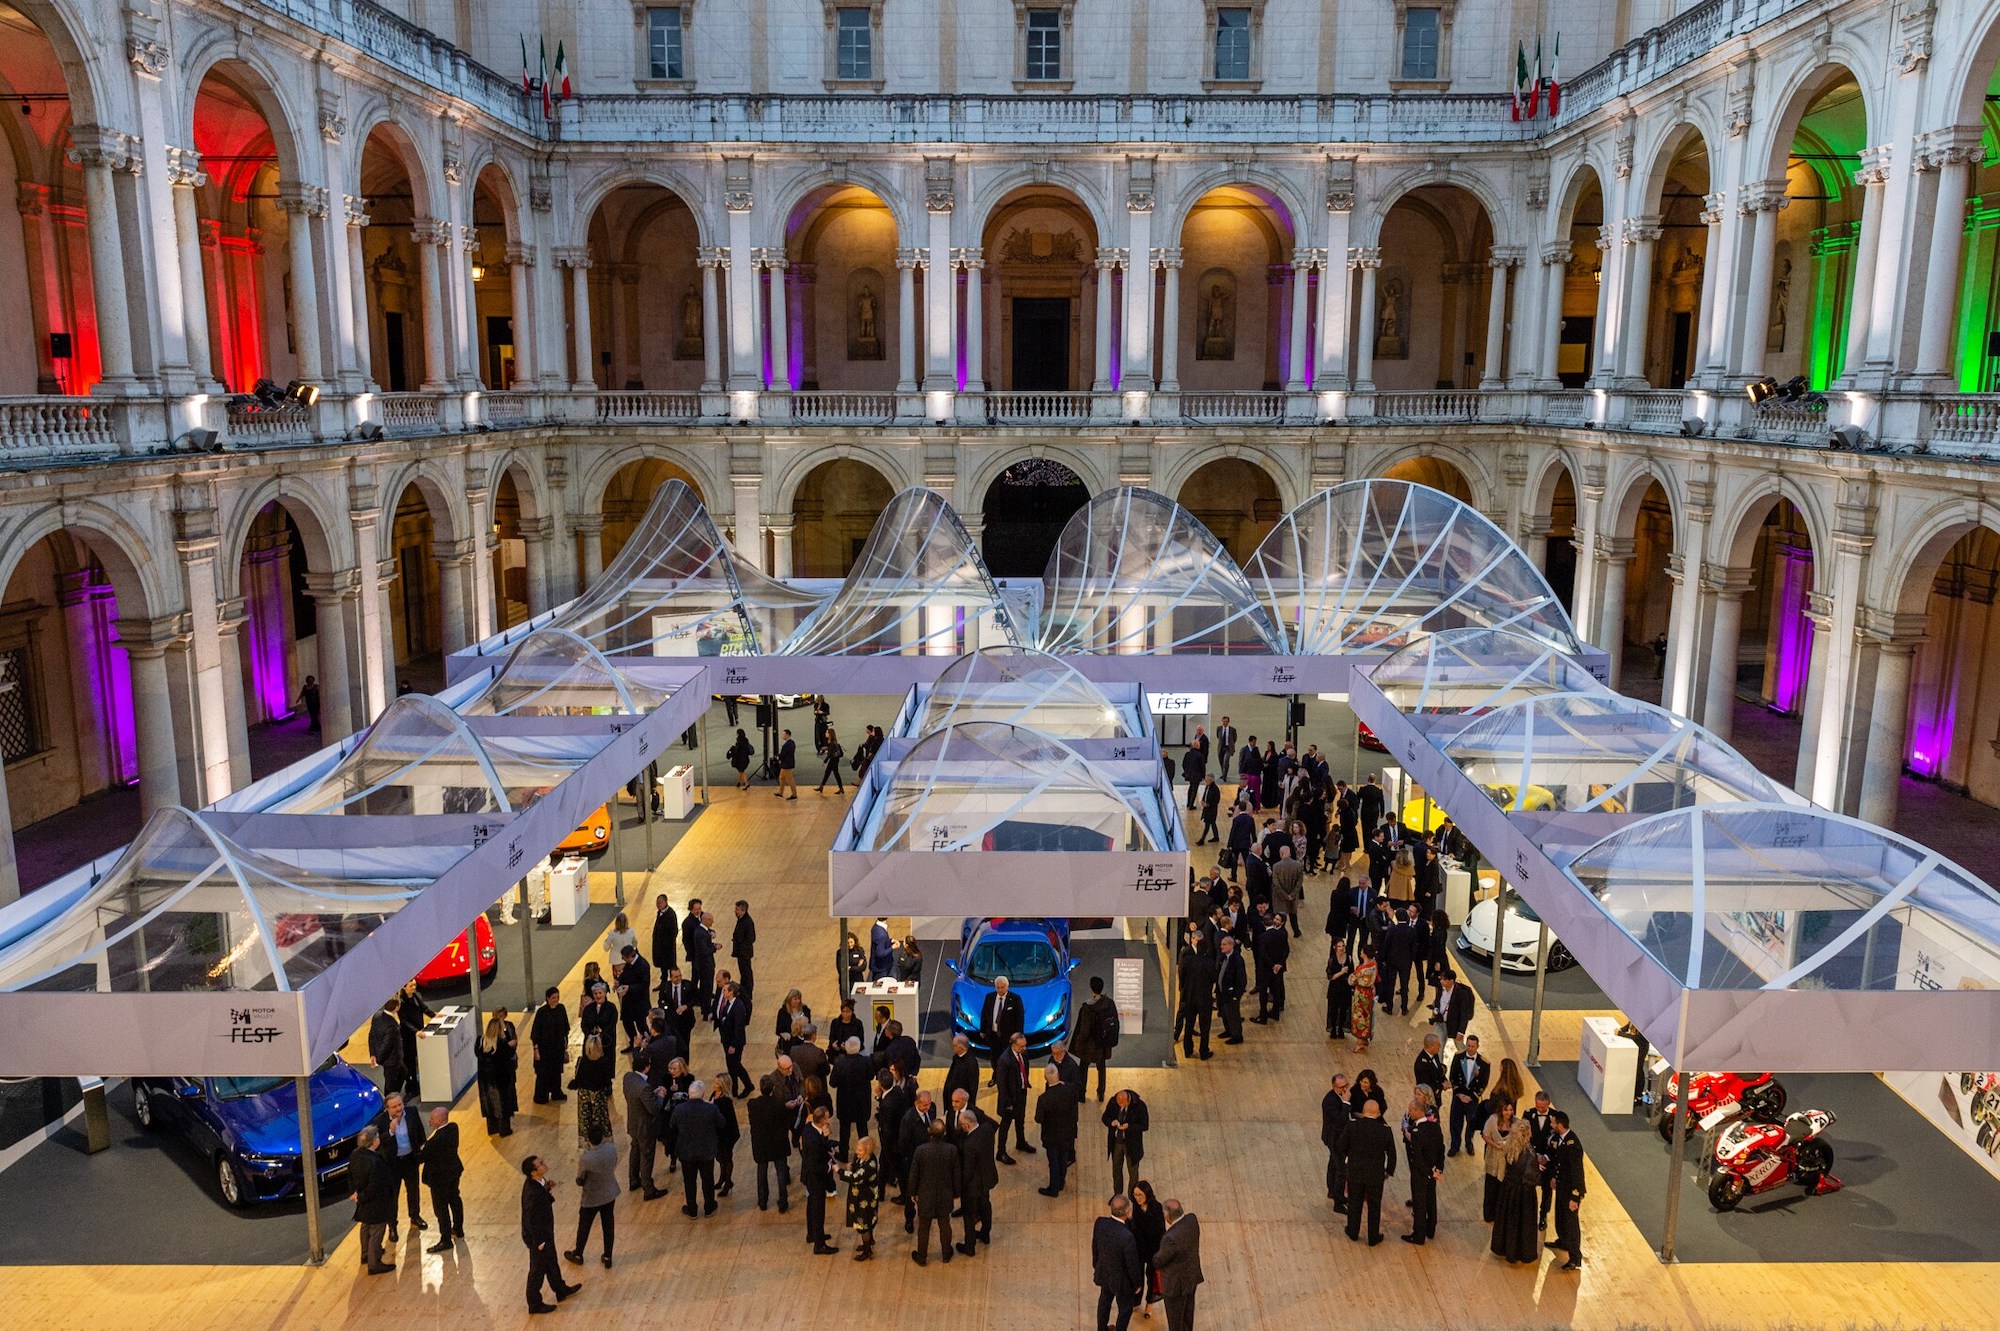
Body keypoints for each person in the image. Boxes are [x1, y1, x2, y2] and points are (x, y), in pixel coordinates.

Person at [520, 1155, 579, 1313]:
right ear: (533, 1172)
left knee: (551, 1262)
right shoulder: (532, 1193)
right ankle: (534, 1303)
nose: (544, 1164)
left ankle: (560, 1289)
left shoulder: (538, 1183)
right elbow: (531, 1220)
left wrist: (547, 1189)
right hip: (538, 1238)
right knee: (537, 1270)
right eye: (540, 1164)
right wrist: (539, 1242)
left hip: (545, 1233)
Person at [1337, 1097, 1396, 1245]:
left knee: (1354, 1203)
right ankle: (1373, 1237)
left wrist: (1348, 1160)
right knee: (1374, 1206)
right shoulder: (1385, 1131)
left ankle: (1353, 1232)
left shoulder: (1352, 1126)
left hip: (1355, 1173)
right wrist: (1389, 1171)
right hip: (1375, 1175)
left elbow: (1341, 1146)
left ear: (1363, 1112)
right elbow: (1392, 1154)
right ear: (1378, 1114)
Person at [371, 1090, 428, 1239]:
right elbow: (376, 1144)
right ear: (387, 1109)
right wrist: (390, 1132)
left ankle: (415, 1216)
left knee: (413, 1190)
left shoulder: (412, 1112)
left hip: (410, 1160)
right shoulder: (380, 1122)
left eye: (400, 1104)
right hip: (392, 1165)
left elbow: (420, 1133)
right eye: (394, 1106)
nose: (398, 1108)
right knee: (392, 1196)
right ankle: (393, 1226)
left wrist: (422, 1150)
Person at [1490, 1100, 1541, 1264]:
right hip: (1523, 1194)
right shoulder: (1529, 1153)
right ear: (1527, 1134)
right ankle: (1520, 1252)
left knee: (1508, 1222)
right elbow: (1531, 1178)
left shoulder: (1510, 1148)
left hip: (1508, 1190)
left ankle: (1506, 1249)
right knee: (1522, 1225)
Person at [566, 1122, 621, 1268]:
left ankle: (578, 1253)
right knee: (608, 1225)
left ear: (589, 1140)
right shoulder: (611, 1148)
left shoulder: (586, 1158)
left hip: (592, 1197)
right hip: (609, 1192)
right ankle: (608, 1256)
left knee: (584, 1226)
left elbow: (580, 1180)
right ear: (602, 1137)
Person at [907, 1118, 960, 1265]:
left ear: (929, 1132)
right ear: (944, 1133)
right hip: (945, 1195)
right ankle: (946, 1254)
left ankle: (922, 1257)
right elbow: (956, 1174)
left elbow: (914, 1174)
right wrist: (956, 1193)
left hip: (925, 1195)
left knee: (924, 1227)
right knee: (945, 1224)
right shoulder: (952, 1150)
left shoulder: (920, 1150)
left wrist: (912, 1193)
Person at [669, 1079, 722, 1217]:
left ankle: (692, 1210)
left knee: (689, 1181)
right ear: (703, 1094)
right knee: (708, 1179)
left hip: (686, 1152)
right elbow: (722, 1123)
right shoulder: (711, 1109)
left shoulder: (679, 1109)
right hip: (706, 1151)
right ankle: (709, 1207)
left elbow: (672, 1126)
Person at [1093, 1194, 1145, 1331]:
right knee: (1125, 1309)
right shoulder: (1126, 1236)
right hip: (1122, 1281)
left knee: (1104, 1301)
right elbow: (1132, 1263)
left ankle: (1102, 1329)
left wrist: (1097, 1265)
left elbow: (1095, 1247)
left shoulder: (1100, 1222)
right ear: (1127, 1212)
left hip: (1104, 1272)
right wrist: (1137, 1283)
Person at [349, 1126, 396, 1275]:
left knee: (365, 1227)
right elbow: (375, 1185)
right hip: (375, 1201)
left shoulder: (355, 1155)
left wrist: (355, 1194)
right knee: (377, 1231)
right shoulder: (375, 1161)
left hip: (362, 1200)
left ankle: (365, 1254)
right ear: (374, 1141)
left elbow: (349, 1175)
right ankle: (374, 1264)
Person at [1153, 1199, 1204, 1331]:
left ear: (1168, 1216)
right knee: (1188, 1314)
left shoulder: (1170, 1238)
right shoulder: (1192, 1220)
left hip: (1175, 1286)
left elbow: (1158, 1260)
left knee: (1175, 1321)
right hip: (1191, 1277)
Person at [1402, 1094, 1445, 1245]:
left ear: (1418, 1111)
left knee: (1419, 1204)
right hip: (1433, 1171)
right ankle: (1431, 1229)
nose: (1409, 1113)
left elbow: (1418, 1158)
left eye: (1411, 1110)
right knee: (1431, 1200)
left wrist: (1428, 1172)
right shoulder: (1435, 1126)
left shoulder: (1417, 1132)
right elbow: (1441, 1148)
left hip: (1421, 1173)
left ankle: (1418, 1235)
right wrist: (1438, 1169)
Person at [956, 1107, 999, 1255]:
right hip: (987, 1178)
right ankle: (985, 1233)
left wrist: (959, 1186)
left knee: (969, 1215)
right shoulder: (987, 1129)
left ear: (966, 1126)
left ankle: (969, 1246)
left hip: (973, 1185)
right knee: (985, 1205)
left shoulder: (969, 1145)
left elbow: (967, 1171)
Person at [1035, 1062, 1081, 1197]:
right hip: (1067, 1131)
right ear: (1058, 1075)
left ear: (1045, 1078)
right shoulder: (1071, 1089)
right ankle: (1061, 1182)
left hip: (1051, 1134)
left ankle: (1053, 1188)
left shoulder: (1044, 1099)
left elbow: (1038, 1118)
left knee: (1053, 1161)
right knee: (1063, 1157)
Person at [1071, 975, 1120, 1102]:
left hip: (1089, 1045)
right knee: (1101, 1067)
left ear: (1091, 989)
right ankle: (1101, 1093)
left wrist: (1078, 1043)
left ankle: (1082, 1094)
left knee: (1083, 1068)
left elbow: (1084, 1030)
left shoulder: (1087, 1008)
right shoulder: (1109, 1003)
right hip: (1103, 1044)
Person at [623, 1052, 664, 1199]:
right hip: (645, 1127)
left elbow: (637, 1099)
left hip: (633, 1123)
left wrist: (651, 1094)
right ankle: (648, 1189)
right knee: (647, 1156)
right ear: (646, 1068)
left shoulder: (628, 1078)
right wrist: (659, 1096)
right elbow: (653, 1109)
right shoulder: (644, 1087)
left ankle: (634, 1180)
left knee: (635, 1151)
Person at [1548, 1110, 1586, 1271]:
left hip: (1571, 1191)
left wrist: (1575, 1197)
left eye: (1553, 1122)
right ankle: (1563, 1241)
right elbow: (1560, 1163)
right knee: (1561, 1217)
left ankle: (1575, 1257)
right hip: (1562, 1186)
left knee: (1571, 1224)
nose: (1551, 1125)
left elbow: (1577, 1172)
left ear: (1560, 1125)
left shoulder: (1572, 1145)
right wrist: (1555, 1177)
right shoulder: (1562, 1139)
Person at [421, 1106, 464, 1251]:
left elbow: (421, 1157)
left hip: (439, 1178)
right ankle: (458, 1228)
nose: (429, 1120)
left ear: (439, 1120)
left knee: (441, 1209)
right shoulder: (453, 1128)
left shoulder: (434, 1141)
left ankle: (445, 1239)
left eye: (432, 1118)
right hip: (453, 1172)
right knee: (454, 1199)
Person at [749, 1074, 793, 1212]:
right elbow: (785, 1121)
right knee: (780, 1171)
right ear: (773, 1088)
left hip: (761, 1143)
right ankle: (783, 1201)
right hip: (778, 1142)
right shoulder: (779, 1103)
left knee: (762, 1171)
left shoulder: (753, 1104)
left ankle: (762, 1201)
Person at [802, 1105, 839, 1253]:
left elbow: (820, 1145)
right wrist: (829, 1167)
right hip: (815, 1179)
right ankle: (819, 1245)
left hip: (810, 1178)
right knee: (818, 1211)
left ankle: (812, 1234)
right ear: (823, 1119)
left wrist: (829, 1143)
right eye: (827, 1117)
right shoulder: (813, 1140)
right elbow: (814, 1166)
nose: (828, 1119)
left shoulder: (809, 1129)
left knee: (811, 1206)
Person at [839, 1135, 882, 1261]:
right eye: (857, 1149)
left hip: (866, 1199)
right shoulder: (861, 1158)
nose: (857, 1152)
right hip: (860, 1196)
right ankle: (869, 1241)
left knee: (864, 1224)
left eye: (860, 1150)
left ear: (867, 1151)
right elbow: (855, 1167)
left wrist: (839, 1171)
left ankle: (867, 1250)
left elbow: (856, 1177)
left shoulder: (870, 1165)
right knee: (867, 1222)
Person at [1481, 1095, 1523, 1224]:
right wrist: (1495, 1145)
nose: (1509, 1113)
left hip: (1507, 1161)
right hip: (1493, 1158)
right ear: (1500, 1110)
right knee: (1491, 1187)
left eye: (1511, 1110)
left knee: (1503, 1189)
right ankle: (1489, 1214)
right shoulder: (1492, 1120)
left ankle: (1500, 1214)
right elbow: (1485, 1135)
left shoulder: (1516, 1122)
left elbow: (1520, 1139)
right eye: (1506, 1110)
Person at [1176, 926, 1216, 1060]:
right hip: (1204, 999)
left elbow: (1182, 976)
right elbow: (1213, 979)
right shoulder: (1209, 963)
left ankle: (1188, 1050)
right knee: (1205, 1027)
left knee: (1189, 1024)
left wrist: (1185, 989)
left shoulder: (1188, 960)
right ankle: (1203, 1051)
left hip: (1190, 997)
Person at [831, 1036, 875, 1158]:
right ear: (859, 1047)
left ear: (846, 1048)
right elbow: (871, 1076)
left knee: (844, 1130)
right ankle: (866, 1153)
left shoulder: (840, 1062)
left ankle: (844, 1154)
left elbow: (832, 1083)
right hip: (861, 1103)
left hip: (845, 1103)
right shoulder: (866, 1061)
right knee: (863, 1129)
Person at [1448, 1032, 1491, 1156]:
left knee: (1471, 1123)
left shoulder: (1484, 1063)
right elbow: (1452, 1077)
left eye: (1473, 1046)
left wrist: (1471, 1096)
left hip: (1472, 1099)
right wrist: (1459, 1094)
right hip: (1458, 1097)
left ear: (1477, 1046)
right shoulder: (1458, 1057)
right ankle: (1455, 1145)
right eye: (1468, 1045)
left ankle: (1469, 1143)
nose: (1470, 1048)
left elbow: (1483, 1083)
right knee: (1455, 1122)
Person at [995, 1031, 1035, 1161]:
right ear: (1013, 1045)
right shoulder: (1004, 1060)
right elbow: (1001, 1085)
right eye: (1021, 1046)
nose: (1025, 1048)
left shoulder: (1023, 1054)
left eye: (1025, 1045)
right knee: (1005, 1126)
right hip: (1010, 1099)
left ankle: (1021, 1142)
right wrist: (1008, 1103)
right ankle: (1001, 1152)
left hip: (1021, 1093)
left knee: (1020, 1120)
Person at [1101, 1088, 1149, 1197]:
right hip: (1116, 1142)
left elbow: (1145, 1125)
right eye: (1119, 1104)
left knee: (1133, 1173)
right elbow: (1105, 1117)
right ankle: (1118, 1195)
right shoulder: (1113, 1102)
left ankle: (1132, 1198)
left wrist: (1129, 1127)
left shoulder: (1139, 1106)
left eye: (1122, 1104)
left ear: (1128, 1100)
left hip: (1132, 1145)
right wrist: (1111, 1122)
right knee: (1116, 1170)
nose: (1120, 1106)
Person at [1129, 1180, 1166, 1315]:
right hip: (1139, 1249)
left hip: (1153, 1249)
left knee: (1151, 1277)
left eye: (1140, 1195)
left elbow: (1161, 1230)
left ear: (1147, 1194)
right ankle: (1136, 1301)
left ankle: (1149, 1304)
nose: (1137, 1198)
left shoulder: (1156, 1207)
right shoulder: (1135, 1207)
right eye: (1135, 1195)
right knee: (1137, 1277)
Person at [979, 974, 1025, 1083]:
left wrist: (1019, 1036)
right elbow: (984, 1014)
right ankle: (996, 1076)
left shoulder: (1015, 999)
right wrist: (982, 1030)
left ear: (1007, 987)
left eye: (1002, 987)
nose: (1000, 990)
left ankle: (1008, 1078)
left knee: (1008, 1059)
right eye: (998, 987)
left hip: (1008, 1037)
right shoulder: (989, 997)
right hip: (993, 1035)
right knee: (994, 1058)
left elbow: (1020, 1019)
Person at [570, 1034, 614, 1145]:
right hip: (598, 1095)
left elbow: (578, 1077)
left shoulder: (582, 1061)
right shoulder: (604, 1062)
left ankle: (586, 1141)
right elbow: (607, 1080)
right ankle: (602, 1141)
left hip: (584, 1094)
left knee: (585, 1119)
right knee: (600, 1118)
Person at [477, 1011, 515, 1135]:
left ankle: (492, 1129)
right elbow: (510, 1055)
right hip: (501, 1080)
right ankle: (504, 1130)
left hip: (486, 1081)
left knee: (490, 1105)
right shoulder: (502, 1044)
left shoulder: (480, 1042)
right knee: (503, 1105)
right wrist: (506, 1037)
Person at [1525, 1089, 1558, 1229]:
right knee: (1527, 1187)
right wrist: (1534, 1156)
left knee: (1546, 1190)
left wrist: (1545, 1157)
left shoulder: (1555, 1117)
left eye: (1543, 1107)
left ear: (1549, 1104)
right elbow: (1524, 1136)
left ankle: (1543, 1215)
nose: (1540, 1109)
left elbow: (1557, 1140)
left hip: (1547, 1160)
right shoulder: (1528, 1114)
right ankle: (1527, 1215)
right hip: (1531, 1158)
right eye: (1538, 1106)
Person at [714, 980, 752, 1098]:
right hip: (727, 1040)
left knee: (736, 1065)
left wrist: (734, 1045)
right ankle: (734, 1089)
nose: (723, 991)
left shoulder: (738, 1007)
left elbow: (739, 1029)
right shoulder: (729, 1003)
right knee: (731, 1066)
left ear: (731, 992)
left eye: (725, 990)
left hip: (734, 1042)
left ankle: (748, 1085)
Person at [1320, 1073, 1352, 1211]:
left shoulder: (1340, 1096)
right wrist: (1345, 1103)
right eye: (1342, 1087)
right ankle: (1338, 1203)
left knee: (1333, 1163)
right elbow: (1340, 1121)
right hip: (1334, 1139)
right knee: (1341, 1170)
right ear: (1334, 1087)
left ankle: (1332, 1190)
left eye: (1346, 1085)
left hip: (1337, 1138)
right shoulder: (1330, 1101)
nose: (1345, 1089)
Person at [1252, 910, 1289, 1022]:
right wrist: (1279, 964)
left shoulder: (1262, 937)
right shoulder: (1282, 934)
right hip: (1277, 969)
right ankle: (1275, 1013)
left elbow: (1263, 954)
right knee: (1276, 990)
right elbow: (1286, 950)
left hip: (1265, 970)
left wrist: (1272, 965)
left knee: (1263, 993)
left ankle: (1263, 1017)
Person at [368, 995, 409, 1098]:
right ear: (396, 1007)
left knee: (403, 1072)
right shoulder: (392, 1026)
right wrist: (378, 1061)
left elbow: (371, 1035)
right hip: (392, 1060)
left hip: (391, 1059)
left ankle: (395, 1096)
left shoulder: (377, 1016)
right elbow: (386, 1045)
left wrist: (373, 1054)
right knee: (390, 1084)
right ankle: (390, 1103)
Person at [614, 945, 652, 1050]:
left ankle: (648, 1043)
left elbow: (644, 985)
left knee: (641, 1025)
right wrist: (619, 981)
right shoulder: (629, 963)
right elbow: (625, 975)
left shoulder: (643, 965)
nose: (623, 959)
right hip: (629, 1000)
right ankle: (634, 1042)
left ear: (630, 956)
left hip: (639, 1001)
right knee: (627, 1022)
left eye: (624, 957)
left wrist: (629, 988)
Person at [1215, 935, 1247, 1045]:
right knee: (1224, 1013)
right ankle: (1228, 1031)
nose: (1221, 946)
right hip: (1222, 992)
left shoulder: (1237, 960)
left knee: (1233, 1015)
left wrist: (1236, 995)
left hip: (1231, 994)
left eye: (1224, 944)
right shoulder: (1223, 957)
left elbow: (1242, 980)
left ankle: (1237, 1036)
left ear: (1231, 945)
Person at [1433, 966, 1474, 1045]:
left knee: (1460, 1047)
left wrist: (1461, 1032)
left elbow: (1464, 1014)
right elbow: (1438, 1001)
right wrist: (1436, 1010)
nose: (1441, 981)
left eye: (1444, 979)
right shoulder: (1441, 988)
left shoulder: (1461, 993)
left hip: (1454, 1025)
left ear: (1451, 981)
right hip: (1441, 1022)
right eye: (1440, 978)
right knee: (1438, 1047)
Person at [1348, 943, 1378, 1052]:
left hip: (1361, 994)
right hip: (1369, 992)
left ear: (1364, 954)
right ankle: (1365, 1037)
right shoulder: (1374, 964)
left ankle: (1360, 1041)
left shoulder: (1361, 969)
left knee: (1359, 1017)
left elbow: (1351, 980)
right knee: (1367, 1015)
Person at [1325, 937, 1352, 1041]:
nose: (1341, 948)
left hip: (1345, 987)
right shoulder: (1332, 959)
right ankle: (1333, 1029)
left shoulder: (1349, 958)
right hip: (1335, 987)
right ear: (1335, 948)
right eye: (1339, 946)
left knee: (1344, 1009)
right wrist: (1341, 972)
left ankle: (1341, 1028)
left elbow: (1352, 972)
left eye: (1343, 946)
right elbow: (1330, 977)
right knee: (1334, 1008)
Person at [943, 1033, 981, 1107]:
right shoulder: (956, 1057)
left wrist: (970, 1105)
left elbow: (972, 1086)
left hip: (961, 1102)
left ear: (961, 1047)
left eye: (954, 1046)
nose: (952, 1047)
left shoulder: (971, 1063)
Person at [775, 987, 812, 1057]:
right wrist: (784, 1034)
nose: (798, 1001)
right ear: (789, 1000)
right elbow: (778, 1030)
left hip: (802, 1042)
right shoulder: (783, 1012)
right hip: (788, 1043)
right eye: (795, 999)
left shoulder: (805, 1010)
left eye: (799, 999)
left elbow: (809, 1025)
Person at [1414, 1032, 1446, 1103]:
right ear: (1431, 1046)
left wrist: (1445, 1080)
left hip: (1436, 1098)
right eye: (1437, 1044)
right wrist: (1442, 1086)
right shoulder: (1421, 1064)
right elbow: (1426, 1085)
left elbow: (1438, 1071)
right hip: (1426, 1101)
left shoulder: (1435, 1055)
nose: (1440, 1046)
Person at [815, 726, 847, 794]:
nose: (825, 733)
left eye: (827, 732)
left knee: (834, 773)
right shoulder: (831, 742)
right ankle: (822, 787)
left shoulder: (832, 743)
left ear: (830, 734)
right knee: (830, 773)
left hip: (834, 760)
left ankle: (839, 788)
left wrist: (825, 761)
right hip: (834, 760)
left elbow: (830, 754)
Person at [774, 727, 798, 799]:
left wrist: (778, 757)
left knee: (790, 780)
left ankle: (794, 795)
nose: (782, 736)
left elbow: (783, 754)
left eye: (784, 734)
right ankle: (780, 792)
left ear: (787, 735)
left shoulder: (786, 745)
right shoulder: (792, 743)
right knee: (781, 777)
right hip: (787, 763)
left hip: (786, 765)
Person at [1196, 775, 1221, 845]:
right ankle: (1216, 837)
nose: (1205, 781)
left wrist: (1208, 804)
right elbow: (1205, 795)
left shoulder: (1215, 789)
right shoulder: (1207, 787)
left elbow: (1216, 801)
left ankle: (1202, 840)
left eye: (1207, 780)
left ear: (1211, 780)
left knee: (1207, 824)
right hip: (1207, 809)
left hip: (1212, 810)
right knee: (1212, 823)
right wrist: (1202, 801)